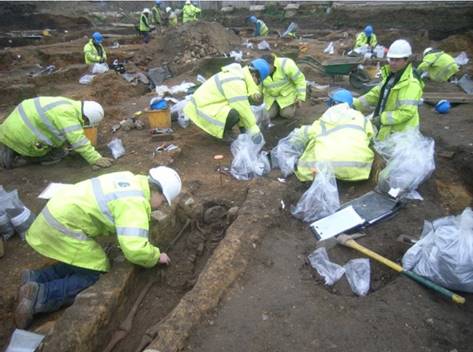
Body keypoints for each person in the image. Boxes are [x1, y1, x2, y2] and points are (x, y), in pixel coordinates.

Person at [14, 166, 182, 329]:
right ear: (157, 191)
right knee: (95, 270)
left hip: (56, 215)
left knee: (82, 259)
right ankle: (41, 295)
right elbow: (135, 249)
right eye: (163, 201)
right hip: (63, 227)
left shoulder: (130, 180)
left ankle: (36, 278)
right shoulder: (134, 203)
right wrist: (155, 256)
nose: (160, 206)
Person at [0, 97, 113, 169]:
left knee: (59, 144)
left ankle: (9, 146)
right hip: (22, 136)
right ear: (86, 117)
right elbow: (79, 141)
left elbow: (54, 126)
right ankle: (21, 158)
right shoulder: (68, 116)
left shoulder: (68, 104)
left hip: (10, 127)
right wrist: (95, 158)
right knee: (59, 153)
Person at [290, 89, 374, 182]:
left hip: (326, 169)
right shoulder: (362, 118)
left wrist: (292, 145)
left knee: (313, 145)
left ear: (333, 103)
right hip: (359, 170)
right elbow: (370, 138)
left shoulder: (327, 118)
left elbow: (304, 134)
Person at [183, 59, 270, 143]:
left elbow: (241, 106)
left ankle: (225, 129)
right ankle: (219, 133)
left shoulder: (238, 75)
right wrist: (253, 130)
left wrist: (244, 129)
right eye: (258, 82)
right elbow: (242, 108)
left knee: (238, 110)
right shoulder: (236, 81)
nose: (256, 84)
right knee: (234, 114)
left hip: (205, 105)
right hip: (201, 110)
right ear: (254, 75)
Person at [353, 39, 424, 140]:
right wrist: (354, 104)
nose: (393, 63)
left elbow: (406, 112)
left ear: (406, 60)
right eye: (391, 59)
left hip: (402, 134)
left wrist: (382, 119)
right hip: (388, 129)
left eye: (397, 60)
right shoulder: (391, 77)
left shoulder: (411, 84)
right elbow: (376, 94)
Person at [260, 54, 306, 120]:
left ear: (272, 64)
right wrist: (256, 94)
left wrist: (300, 97)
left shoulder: (286, 64)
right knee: (269, 115)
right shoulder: (261, 68)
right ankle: (276, 108)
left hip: (287, 96)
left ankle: (291, 106)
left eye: (267, 68)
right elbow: (257, 84)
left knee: (286, 114)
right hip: (271, 97)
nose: (265, 71)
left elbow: (300, 80)